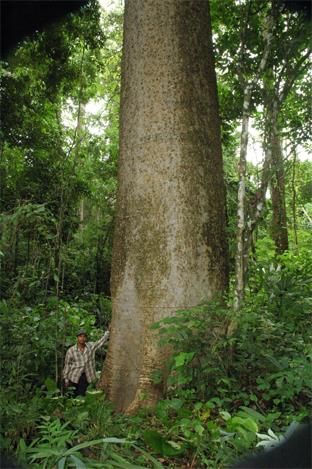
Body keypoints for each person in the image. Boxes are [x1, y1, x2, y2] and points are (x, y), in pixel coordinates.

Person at [63, 328, 109, 397]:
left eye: (84, 336)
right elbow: (67, 365)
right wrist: (66, 379)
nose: (82, 338)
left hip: (86, 376)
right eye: (80, 336)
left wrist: (107, 333)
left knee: (82, 395)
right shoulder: (71, 351)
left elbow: (100, 342)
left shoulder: (90, 346)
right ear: (77, 338)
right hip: (73, 377)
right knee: (72, 396)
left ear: (86, 338)